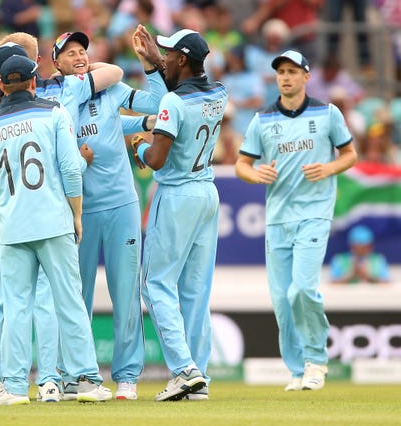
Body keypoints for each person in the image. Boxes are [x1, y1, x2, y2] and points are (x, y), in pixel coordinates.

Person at [0, 54, 111, 405]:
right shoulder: (54, 112)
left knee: (16, 307)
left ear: (2, 85)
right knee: (69, 301)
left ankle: (16, 387)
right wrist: (77, 215)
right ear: (35, 81)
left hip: (12, 226)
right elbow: (70, 168)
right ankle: (85, 381)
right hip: (53, 221)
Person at [51, 26, 167, 401]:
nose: (78, 56)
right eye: (69, 53)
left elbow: (159, 105)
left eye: (82, 50)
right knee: (75, 297)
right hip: (76, 210)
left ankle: (128, 377)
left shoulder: (111, 89)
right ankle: (75, 375)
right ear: (56, 63)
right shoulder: (53, 99)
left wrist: (151, 69)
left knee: (125, 293)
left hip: (121, 205)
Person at [235, 50, 358, 392]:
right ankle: (296, 369)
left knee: (302, 288)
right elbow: (242, 164)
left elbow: (350, 154)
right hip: (277, 219)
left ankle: (316, 360)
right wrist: (255, 173)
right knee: (282, 301)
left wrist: (329, 168)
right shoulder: (262, 120)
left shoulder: (328, 113)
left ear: (306, 76)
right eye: (280, 72)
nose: (285, 77)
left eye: (292, 71)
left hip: (314, 213)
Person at [131, 29, 227, 402]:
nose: (165, 56)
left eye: (171, 52)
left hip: (176, 194)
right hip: (207, 191)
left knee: (154, 285)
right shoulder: (219, 91)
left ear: (183, 60)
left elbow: (157, 159)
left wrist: (140, 148)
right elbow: (177, 82)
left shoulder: (173, 102)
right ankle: (198, 376)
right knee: (196, 291)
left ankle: (184, 371)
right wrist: (156, 62)